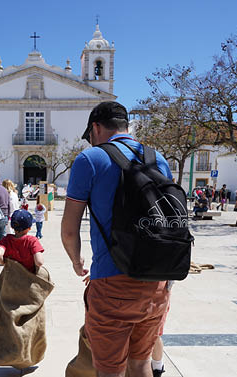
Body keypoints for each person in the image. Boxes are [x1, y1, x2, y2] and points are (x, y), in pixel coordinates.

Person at [61, 101, 172, 377]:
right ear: (126, 126)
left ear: (96, 128)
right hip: (156, 282)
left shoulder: (90, 159)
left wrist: (77, 262)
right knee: (141, 363)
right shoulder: (158, 159)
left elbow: (69, 229)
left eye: (89, 135)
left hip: (111, 283)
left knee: (110, 370)